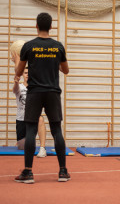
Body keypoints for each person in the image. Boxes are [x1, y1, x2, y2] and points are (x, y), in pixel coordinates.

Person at [14, 12, 70, 184]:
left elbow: (18, 72)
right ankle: (62, 172)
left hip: (35, 92)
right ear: (51, 26)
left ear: (36, 26)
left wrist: (17, 59)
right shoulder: (58, 46)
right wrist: (52, 64)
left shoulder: (29, 46)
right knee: (56, 131)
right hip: (53, 92)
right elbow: (66, 70)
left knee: (31, 130)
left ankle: (28, 173)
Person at [12, 66, 48, 157]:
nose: (28, 75)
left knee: (40, 119)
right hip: (21, 120)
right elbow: (14, 89)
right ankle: (25, 141)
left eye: (29, 73)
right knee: (22, 147)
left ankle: (42, 149)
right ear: (23, 75)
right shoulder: (19, 87)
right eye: (25, 73)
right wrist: (16, 81)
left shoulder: (36, 87)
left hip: (32, 119)